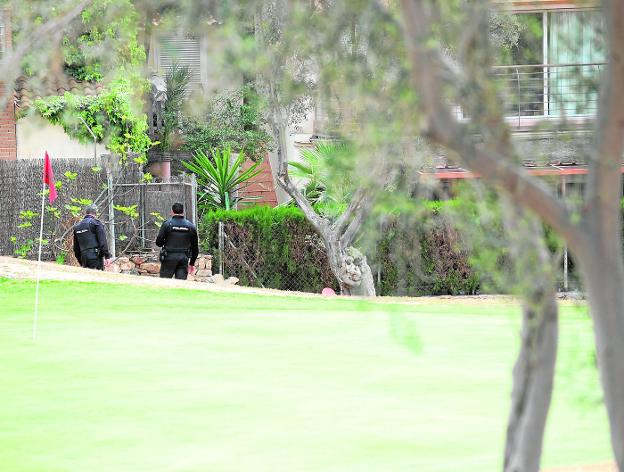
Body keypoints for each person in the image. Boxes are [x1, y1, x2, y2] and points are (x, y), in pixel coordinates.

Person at [155, 202, 199, 280]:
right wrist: (192, 263)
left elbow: (158, 243)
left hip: (168, 257)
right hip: (183, 258)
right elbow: (195, 248)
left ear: (172, 211)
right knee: (181, 285)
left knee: (165, 284)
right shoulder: (191, 226)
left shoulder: (167, 224)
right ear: (183, 212)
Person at [73, 204, 111, 270]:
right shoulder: (96, 224)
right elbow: (102, 242)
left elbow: (76, 248)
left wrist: (80, 260)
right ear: (95, 212)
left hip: (83, 258)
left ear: (86, 212)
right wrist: (107, 256)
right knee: (97, 278)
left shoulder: (77, 226)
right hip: (95, 257)